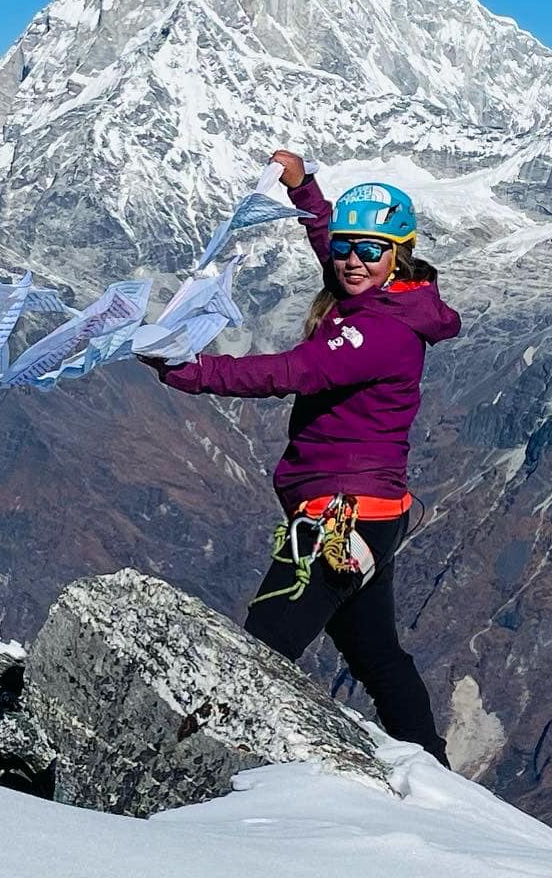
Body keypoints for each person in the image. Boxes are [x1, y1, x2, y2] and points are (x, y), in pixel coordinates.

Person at [145, 150, 458, 765]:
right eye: (347, 245)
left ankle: (194, 778)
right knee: (376, 655)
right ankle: (438, 778)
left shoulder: (379, 331)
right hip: (372, 511)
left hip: (338, 519)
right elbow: (337, 261)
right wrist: (306, 194)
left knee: (259, 653)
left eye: (371, 249)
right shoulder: (386, 300)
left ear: (400, 254)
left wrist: (192, 370)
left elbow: (296, 370)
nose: (352, 260)